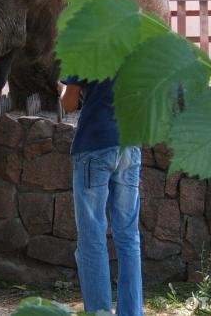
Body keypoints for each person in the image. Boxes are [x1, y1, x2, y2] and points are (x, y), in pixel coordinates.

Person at [60, 78, 143, 315]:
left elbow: (69, 103)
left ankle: (99, 312)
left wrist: (61, 89)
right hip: (130, 144)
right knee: (128, 235)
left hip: (94, 145)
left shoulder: (87, 48)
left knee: (92, 237)